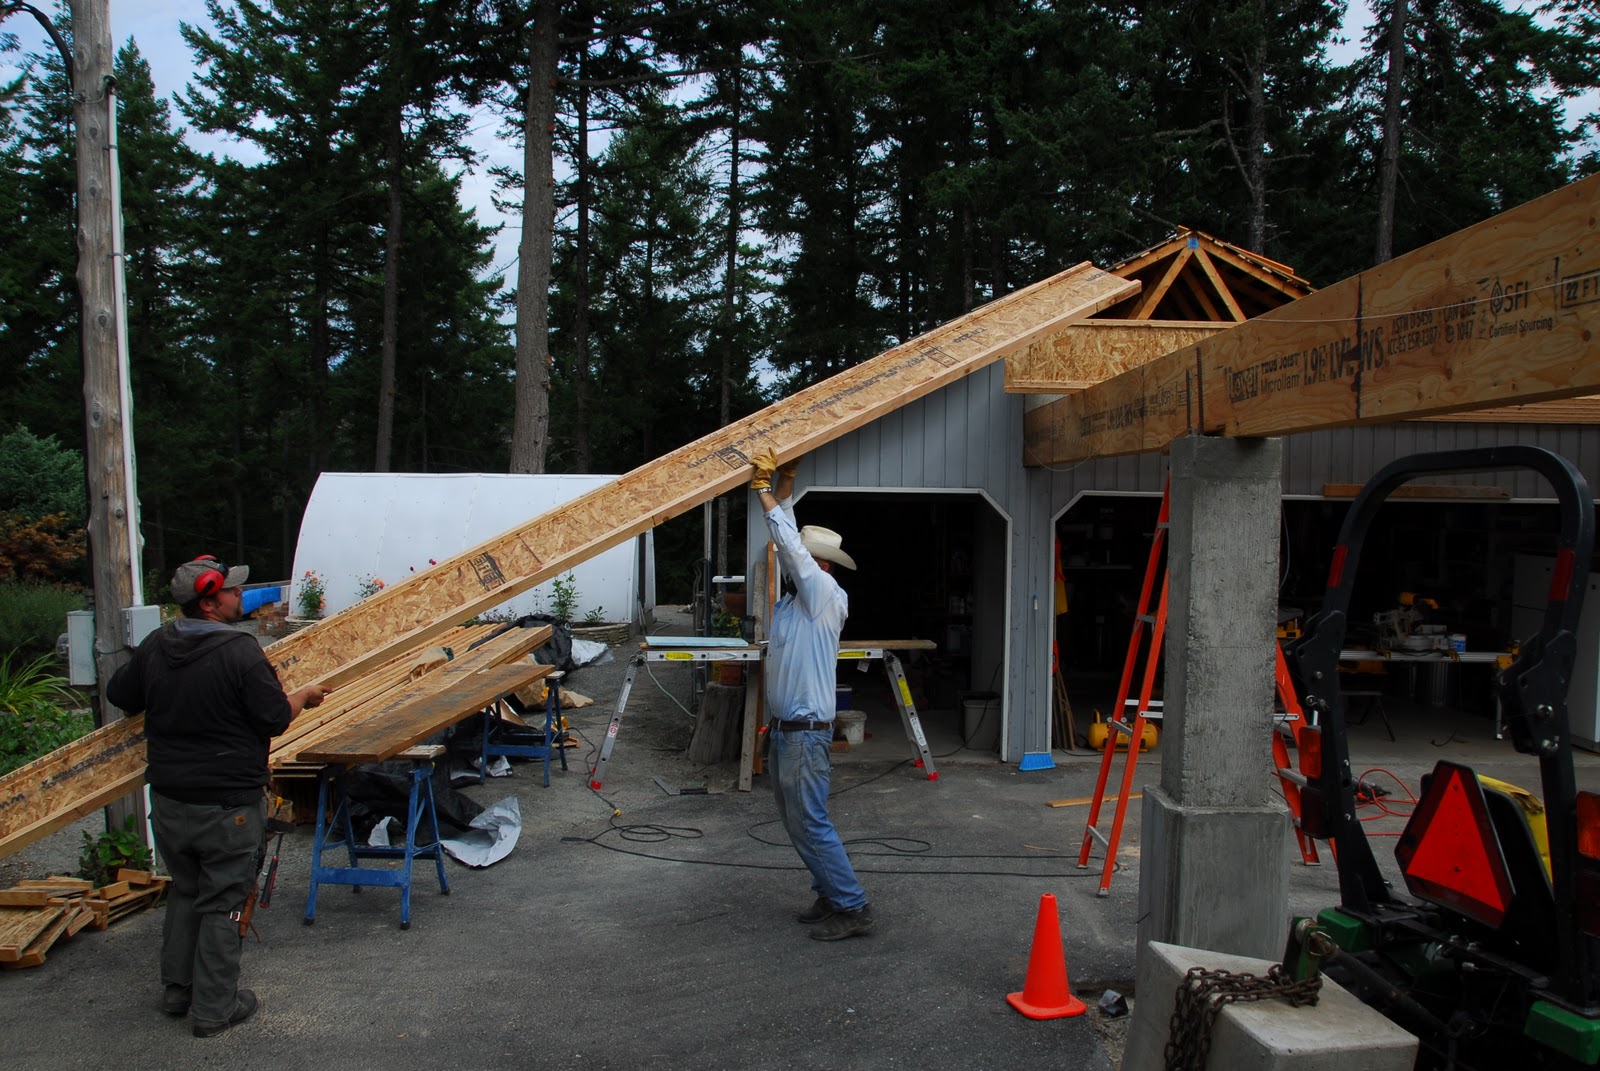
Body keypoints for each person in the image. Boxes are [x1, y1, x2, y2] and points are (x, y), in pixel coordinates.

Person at [106, 555, 331, 1037]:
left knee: (186, 890)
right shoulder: (240, 651)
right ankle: (214, 1008)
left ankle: (178, 990)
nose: (239, 597)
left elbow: (121, 694)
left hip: (169, 801)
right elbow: (273, 718)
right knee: (225, 899)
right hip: (228, 804)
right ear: (209, 602)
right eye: (231, 591)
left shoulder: (157, 644)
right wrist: (305, 694)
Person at [751, 448, 873, 941]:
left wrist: (761, 491)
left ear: (819, 566)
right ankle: (830, 893)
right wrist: (785, 484)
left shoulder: (823, 594)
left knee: (811, 821)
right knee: (799, 823)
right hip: (787, 733)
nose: (791, 564)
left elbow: (791, 549)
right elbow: (791, 544)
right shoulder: (796, 601)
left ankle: (852, 905)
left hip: (804, 735)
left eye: (803, 561)